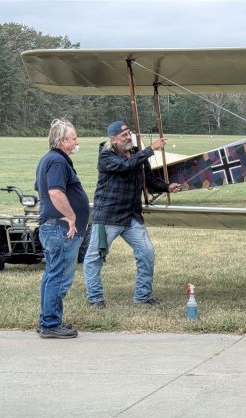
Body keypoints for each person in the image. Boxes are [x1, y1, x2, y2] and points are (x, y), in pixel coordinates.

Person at [83, 121, 182, 308]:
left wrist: (167, 187)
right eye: (124, 135)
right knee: (94, 257)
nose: (128, 137)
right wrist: (150, 149)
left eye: (129, 133)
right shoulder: (106, 157)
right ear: (113, 140)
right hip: (108, 217)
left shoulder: (137, 154)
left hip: (131, 217)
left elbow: (150, 180)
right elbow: (126, 165)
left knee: (147, 252)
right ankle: (95, 299)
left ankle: (142, 297)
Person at [35, 118, 90, 339]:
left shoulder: (49, 160)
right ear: (62, 140)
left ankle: (47, 319)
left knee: (51, 275)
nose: (77, 141)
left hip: (52, 227)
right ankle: (50, 324)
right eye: (74, 138)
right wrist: (71, 216)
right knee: (59, 277)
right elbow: (55, 192)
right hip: (60, 229)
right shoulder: (57, 161)